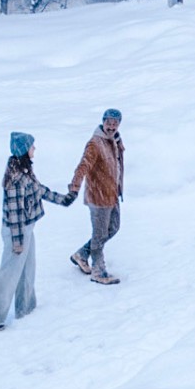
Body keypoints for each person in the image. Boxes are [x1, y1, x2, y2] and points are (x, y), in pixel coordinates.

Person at [0, 132, 77, 329]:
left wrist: (65, 199)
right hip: (17, 231)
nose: (35, 149)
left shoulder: (25, 171)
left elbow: (40, 190)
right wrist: (17, 242)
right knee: (9, 273)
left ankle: (26, 308)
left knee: (26, 270)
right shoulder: (15, 178)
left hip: (26, 229)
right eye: (32, 146)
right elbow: (14, 214)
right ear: (24, 150)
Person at [69, 107, 125, 286]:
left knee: (113, 228)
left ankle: (82, 254)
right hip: (98, 196)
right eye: (108, 122)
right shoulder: (95, 143)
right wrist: (74, 187)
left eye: (115, 123)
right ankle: (98, 271)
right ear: (103, 122)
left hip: (112, 194)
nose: (111, 126)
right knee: (100, 234)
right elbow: (83, 166)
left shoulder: (114, 140)